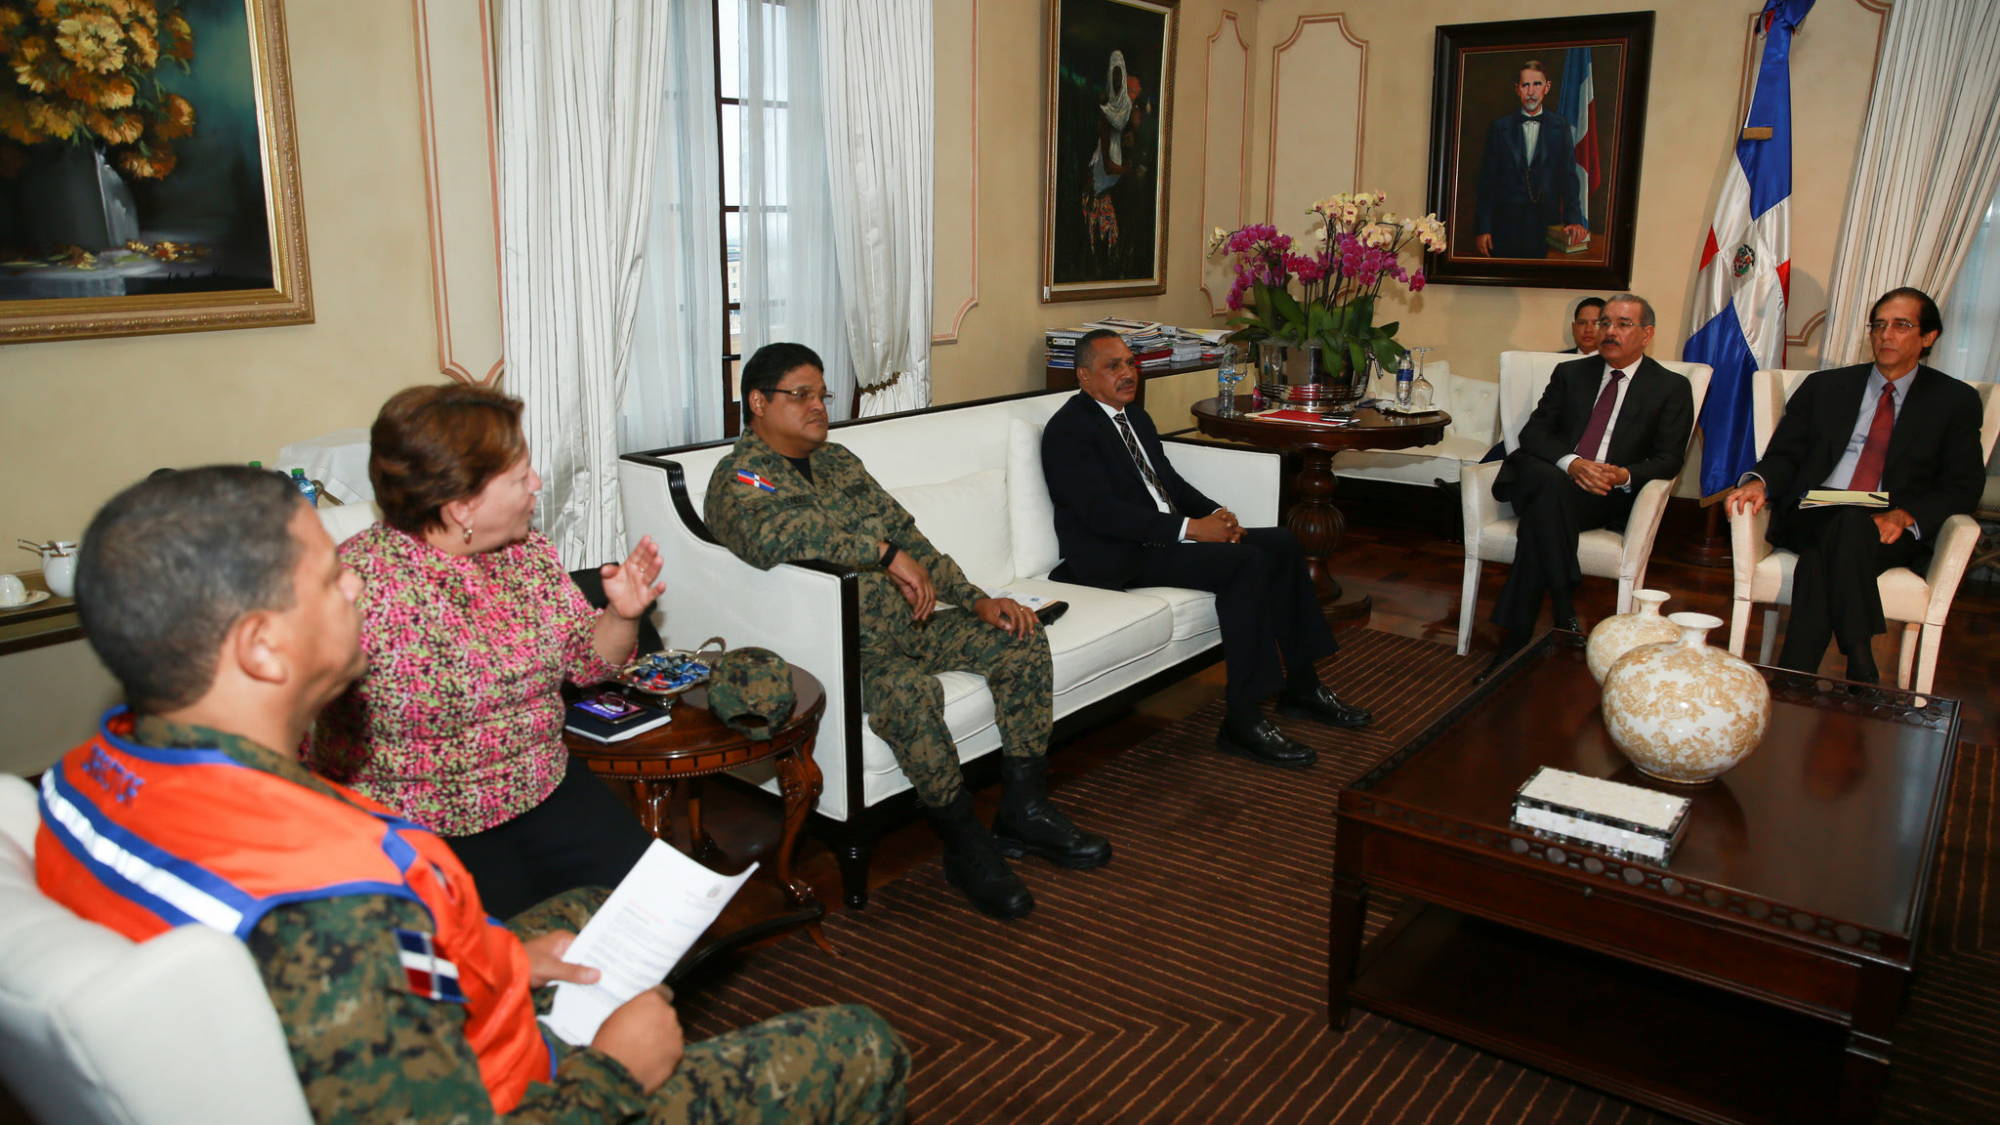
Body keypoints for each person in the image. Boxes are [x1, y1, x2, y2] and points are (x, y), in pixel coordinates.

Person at [36, 465, 908, 1124]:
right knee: (863, 1042)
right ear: (264, 648)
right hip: (528, 1092)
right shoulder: (340, 897)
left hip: (429, 1004)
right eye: (330, 576)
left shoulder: (82, 779)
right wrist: (614, 1068)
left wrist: (499, 962)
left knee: (592, 904)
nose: (358, 582)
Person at [703, 342, 1110, 921]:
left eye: (823, 393)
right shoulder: (742, 480)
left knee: (1018, 637)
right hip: (846, 651)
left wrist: (976, 599)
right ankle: (967, 846)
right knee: (909, 695)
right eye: (802, 395)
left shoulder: (839, 461)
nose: (818, 406)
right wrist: (882, 553)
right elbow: (777, 538)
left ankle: (1025, 811)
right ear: (758, 403)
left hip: (912, 625)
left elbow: (910, 538)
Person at [312, 384, 664, 919]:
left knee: (653, 915)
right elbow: (294, 739)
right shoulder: (355, 589)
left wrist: (622, 614)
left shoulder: (525, 554)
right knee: (522, 970)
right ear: (461, 505)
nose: (537, 485)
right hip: (423, 826)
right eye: (522, 477)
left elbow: (589, 664)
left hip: (543, 785)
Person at [1039, 330, 1373, 770]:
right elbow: (1103, 514)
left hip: (1158, 538)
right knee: (1245, 562)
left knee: (1282, 541)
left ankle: (1303, 688)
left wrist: (1218, 514)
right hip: (1114, 555)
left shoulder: (1134, 418)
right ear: (1084, 376)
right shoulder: (1069, 431)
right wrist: (1192, 529)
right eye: (1113, 366)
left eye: (1130, 363)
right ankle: (1243, 717)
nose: (1128, 373)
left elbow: (1169, 483)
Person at [1725, 287, 1985, 683]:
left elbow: (1963, 485)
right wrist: (1759, 482)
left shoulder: (1954, 400)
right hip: (1811, 509)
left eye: (1901, 325)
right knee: (1843, 522)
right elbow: (1785, 455)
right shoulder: (1824, 388)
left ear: (1928, 337)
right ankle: (1859, 658)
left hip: (1886, 525)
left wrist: (1907, 514)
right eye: (1878, 325)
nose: (1885, 335)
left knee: (1834, 541)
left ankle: (1795, 675)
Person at [1484, 294, 1695, 671]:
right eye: (1605, 323)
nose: (1608, 331)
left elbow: (1670, 458)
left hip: (1601, 495)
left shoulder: (1670, 387)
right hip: (1551, 479)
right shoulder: (1571, 372)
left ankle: (1515, 641)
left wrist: (1623, 474)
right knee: (1549, 480)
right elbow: (1534, 434)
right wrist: (1573, 463)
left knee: (1543, 516)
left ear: (1647, 334)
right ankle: (1562, 601)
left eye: (1621, 324)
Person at [1475, 60, 1588, 260]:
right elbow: (1487, 182)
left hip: (1545, 226)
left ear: (1547, 87)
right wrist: (1483, 228)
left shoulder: (1560, 127)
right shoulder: (1499, 128)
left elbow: (1568, 176)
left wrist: (1573, 219)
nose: (1531, 91)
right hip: (1505, 227)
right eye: (1526, 85)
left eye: (1537, 84)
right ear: (1517, 89)